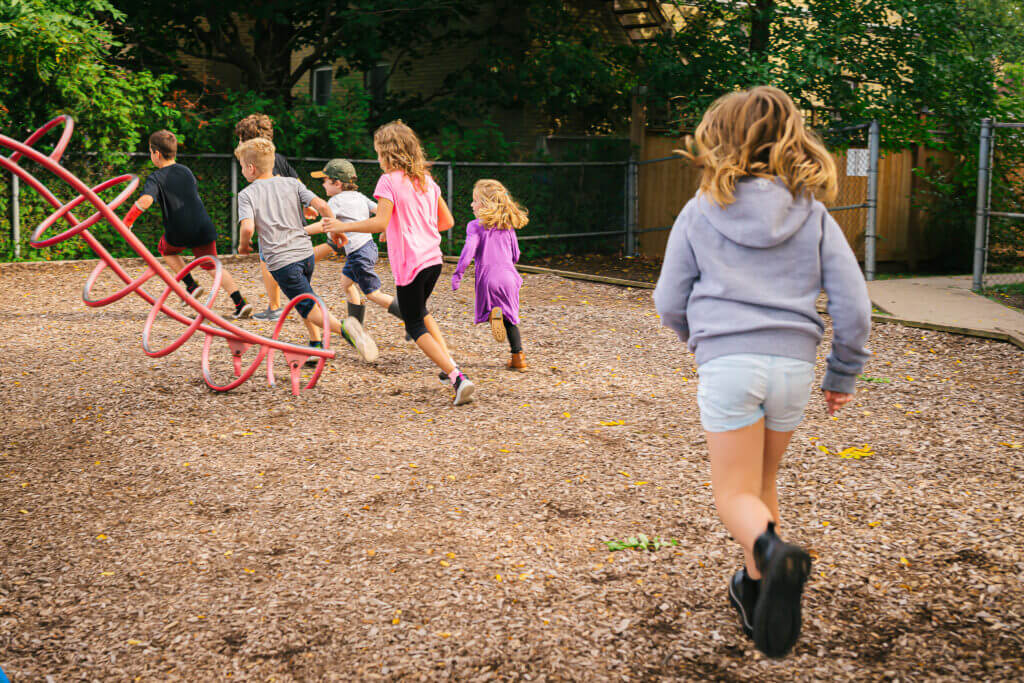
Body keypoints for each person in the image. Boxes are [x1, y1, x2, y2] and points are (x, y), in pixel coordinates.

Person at [652, 86, 871, 658]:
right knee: (764, 483)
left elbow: (668, 299)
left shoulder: (701, 210)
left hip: (729, 361)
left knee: (733, 494)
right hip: (794, 365)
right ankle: (756, 588)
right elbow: (854, 306)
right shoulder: (815, 215)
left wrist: (697, 340)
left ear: (718, 141)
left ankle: (771, 555)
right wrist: (842, 373)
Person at [324, 120, 476, 406]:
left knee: (415, 324)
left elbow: (380, 220)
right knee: (418, 313)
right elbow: (447, 222)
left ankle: (457, 377)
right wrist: (402, 227)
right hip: (433, 260)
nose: (377, 159)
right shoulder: (426, 181)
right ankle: (448, 368)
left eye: (378, 152)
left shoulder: (388, 181)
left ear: (387, 153)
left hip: (411, 264)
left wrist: (345, 227)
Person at [234, 137, 378, 364]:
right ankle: (315, 343)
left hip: (283, 262)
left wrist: (243, 245)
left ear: (251, 168)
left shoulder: (247, 194)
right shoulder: (293, 183)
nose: (242, 171)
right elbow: (322, 206)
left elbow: (248, 227)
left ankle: (348, 331)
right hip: (304, 254)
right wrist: (335, 230)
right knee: (304, 296)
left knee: (308, 305)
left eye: (242, 166)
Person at [124, 130, 253, 319]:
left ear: (156, 154)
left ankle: (191, 285)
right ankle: (240, 302)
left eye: (150, 152)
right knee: (212, 265)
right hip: (203, 226)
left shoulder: (156, 177)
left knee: (166, 250)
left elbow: (146, 201)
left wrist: (127, 221)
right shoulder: (186, 170)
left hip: (179, 229)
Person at [304, 159, 407, 334]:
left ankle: (411, 316)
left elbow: (325, 225)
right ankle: (356, 328)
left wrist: (300, 232)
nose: (323, 185)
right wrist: (388, 229)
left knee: (373, 294)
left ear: (337, 183)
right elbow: (382, 212)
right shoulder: (359, 197)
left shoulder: (335, 201)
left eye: (325, 181)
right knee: (346, 283)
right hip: (367, 248)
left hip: (359, 253)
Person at [451, 179, 528, 371]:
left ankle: (494, 315)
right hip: (510, 277)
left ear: (485, 204)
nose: (471, 204)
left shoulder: (475, 226)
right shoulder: (507, 225)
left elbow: (468, 251)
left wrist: (458, 274)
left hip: (488, 278)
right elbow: (516, 254)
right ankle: (518, 358)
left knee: (491, 308)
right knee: (512, 318)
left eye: (475, 200)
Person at [234, 114, 299, 321]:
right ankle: (299, 303)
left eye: (241, 139)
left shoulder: (264, 164)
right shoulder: (277, 159)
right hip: (288, 220)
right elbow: (297, 183)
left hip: (274, 224)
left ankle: (276, 306)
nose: (238, 143)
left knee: (268, 261)